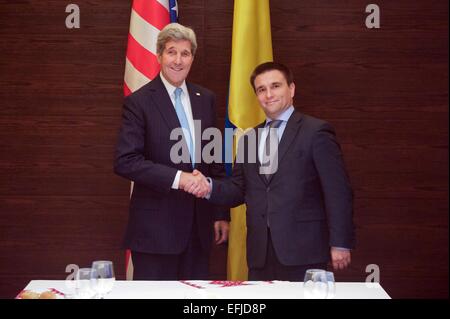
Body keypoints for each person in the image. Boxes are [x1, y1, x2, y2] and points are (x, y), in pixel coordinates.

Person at [188, 62, 355, 281]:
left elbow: (338, 191)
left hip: (304, 251)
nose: (269, 94)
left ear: (291, 89)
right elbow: (238, 189)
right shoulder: (248, 139)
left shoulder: (316, 132)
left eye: (275, 86)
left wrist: (340, 242)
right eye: (261, 89)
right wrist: (208, 187)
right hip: (260, 254)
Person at [114, 23, 229, 280]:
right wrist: (180, 178)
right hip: (155, 232)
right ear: (158, 56)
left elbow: (214, 159)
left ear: (192, 58)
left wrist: (220, 213)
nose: (178, 60)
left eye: (185, 53)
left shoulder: (206, 98)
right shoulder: (139, 102)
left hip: (199, 230)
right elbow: (126, 161)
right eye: (171, 52)